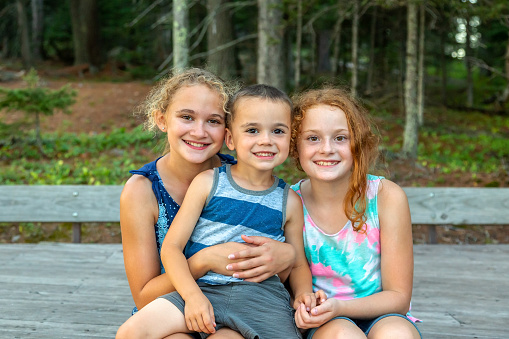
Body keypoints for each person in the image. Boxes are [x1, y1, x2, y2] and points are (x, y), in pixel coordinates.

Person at [116, 84, 323, 339]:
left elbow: (299, 263)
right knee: (131, 332)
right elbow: (171, 248)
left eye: (277, 131)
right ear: (231, 138)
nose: (266, 140)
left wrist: (302, 293)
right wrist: (195, 289)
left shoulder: (288, 200)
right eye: (252, 130)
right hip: (201, 291)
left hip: (259, 298)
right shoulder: (206, 182)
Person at [289, 87, 422, 338]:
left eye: (340, 138)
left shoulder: (386, 197)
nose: (327, 149)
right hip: (323, 322)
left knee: (398, 334)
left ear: (357, 143)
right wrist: (306, 303)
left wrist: (340, 306)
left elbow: (399, 297)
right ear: (295, 146)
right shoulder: (291, 202)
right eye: (312, 138)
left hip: (383, 314)